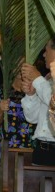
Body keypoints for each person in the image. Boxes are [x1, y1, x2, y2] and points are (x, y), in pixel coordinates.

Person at [21, 37, 55, 166]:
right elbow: (32, 118)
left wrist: (37, 79)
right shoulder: (48, 81)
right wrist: (31, 95)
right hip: (41, 149)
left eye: (46, 50)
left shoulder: (43, 81)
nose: (44, 55)